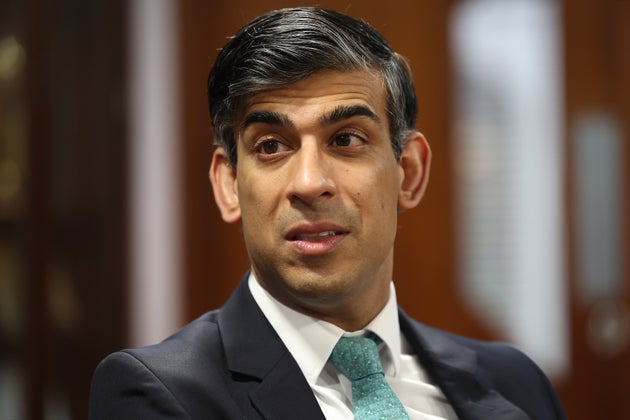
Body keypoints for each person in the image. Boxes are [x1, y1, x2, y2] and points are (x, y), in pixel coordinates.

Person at [89, 7, 566, 420]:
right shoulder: (160, 394)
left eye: (346, 139)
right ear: (228, 184)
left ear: (410, 172)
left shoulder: (516, 381)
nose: (310, 183)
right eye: (271, 146)